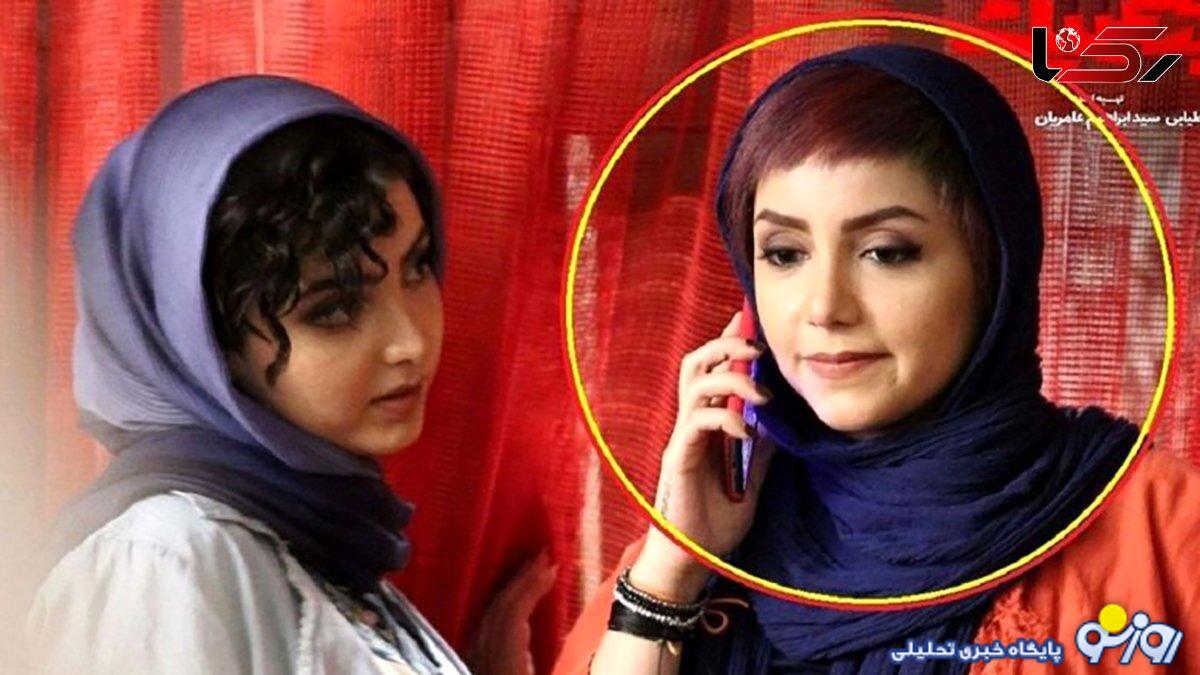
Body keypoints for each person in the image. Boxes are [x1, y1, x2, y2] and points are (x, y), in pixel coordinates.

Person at [554, 44, 1200, 674]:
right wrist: (669, 575)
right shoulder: (695, 544)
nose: (824, 307)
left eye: (886, 252)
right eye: (784, 253)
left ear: (994, 268)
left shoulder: (1161, 535)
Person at [25, 75, 555, 674]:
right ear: (205, 339)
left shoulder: (317, 541)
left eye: (416, 268)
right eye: (334, 310)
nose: (409, 343)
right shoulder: (165, 560)